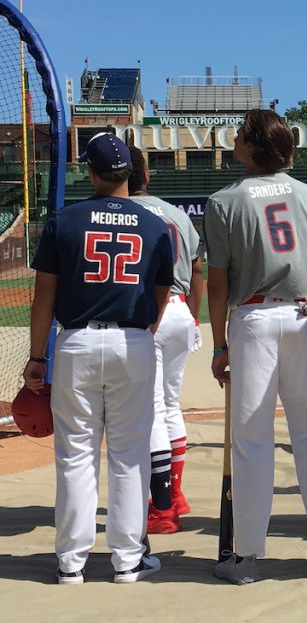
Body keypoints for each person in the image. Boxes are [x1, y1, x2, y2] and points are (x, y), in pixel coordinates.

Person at [203, 109, 307, 583]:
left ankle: (247, 557)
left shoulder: (224, 200)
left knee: (252, 440)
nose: (233, 140)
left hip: (253, 318)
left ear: (251, 146)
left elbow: (217, 281)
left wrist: (218, 344)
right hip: (302, 316)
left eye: (239, 136)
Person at [23, 132, 173, 584]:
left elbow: (43, 297)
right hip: (133, 341)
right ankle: (127, 560)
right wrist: (144, 331)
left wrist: (36, 357)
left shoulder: (64, 221)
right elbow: (162, 291)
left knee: (75, 456)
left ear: (89, 171)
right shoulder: (154, 224)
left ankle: (71, 563)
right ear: (130, 172)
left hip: (77, 342)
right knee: (129, 455)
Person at [127, 146, 205, 535]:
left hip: (149, 313)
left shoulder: (127, 212)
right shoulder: (177, 213)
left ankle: (161, 509)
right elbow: (197, 269)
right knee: (171, 405)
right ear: (149, 176)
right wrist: (193, 316)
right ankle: (175, 494)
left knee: (152, 409)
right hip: (180, 311)